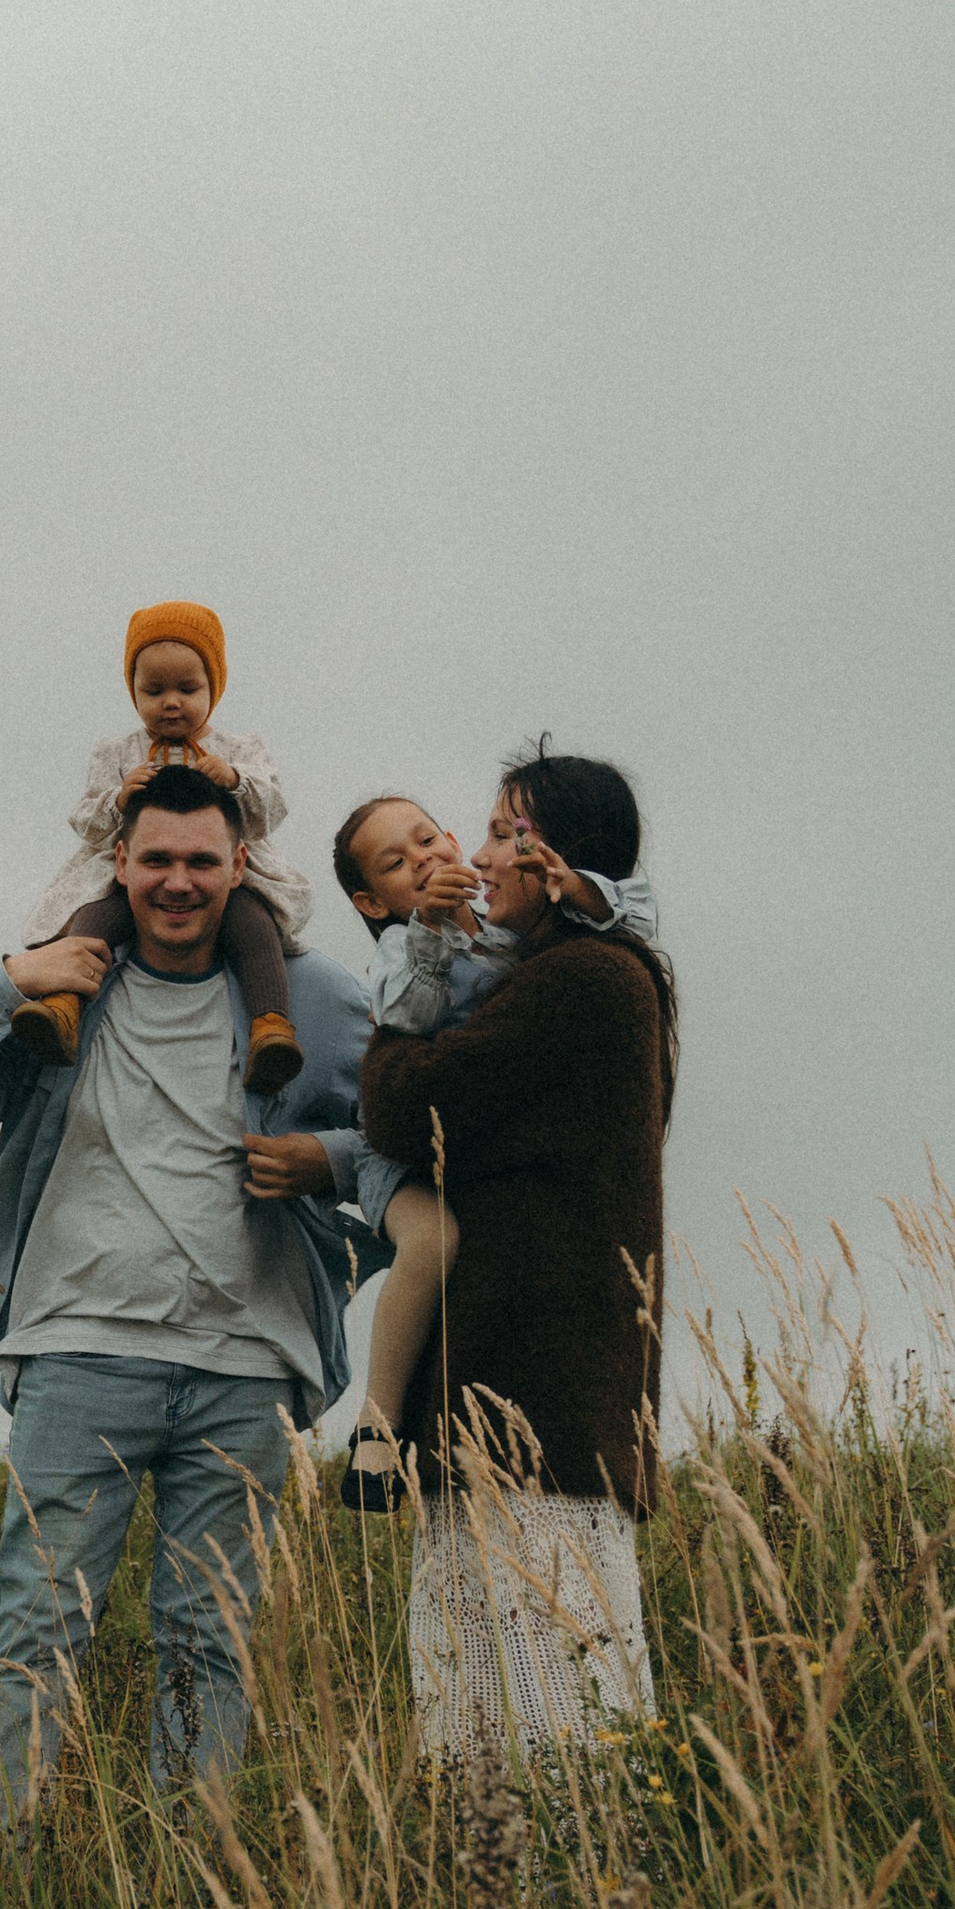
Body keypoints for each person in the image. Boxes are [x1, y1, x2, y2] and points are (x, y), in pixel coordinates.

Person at [0, 764, 378, 1831]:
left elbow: (413, 1146)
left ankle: (189, 1900)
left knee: (210, 1641)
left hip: (246, 1369)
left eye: (201, 860)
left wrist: (324, 1164)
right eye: (154, 859)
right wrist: (6, 977)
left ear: (239, 867)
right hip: (75, 1354)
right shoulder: (67, 987)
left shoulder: (314, 997)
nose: (176, 881)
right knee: (36, 1630)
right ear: (117, 864)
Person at [355, 752, 675, 1762]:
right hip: (528, 1396)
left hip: (535, 1406)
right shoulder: (574, 974)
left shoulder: (582, 979)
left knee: (536, 1709)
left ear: (555, 857)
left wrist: (390, 1027)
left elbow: (402, 1105)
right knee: (517, 1700)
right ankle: (519, 1906)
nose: (477, 851)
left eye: (502, 832)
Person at [328, 791, 659, 1511]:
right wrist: (428, 932)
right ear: (372, 899)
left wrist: (574, 887)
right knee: (433, 1244)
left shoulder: (522, 940)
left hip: (462, 1158)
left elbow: (634, 916)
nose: (423, 859)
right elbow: (406, 1025)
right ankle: (376, 1425)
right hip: (399, 1163)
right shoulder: (401, 949)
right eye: (395, 861)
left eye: (426, 839)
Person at [11, 598, 316, 1095]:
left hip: (225, 873)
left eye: (187, 688)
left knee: (253, 923)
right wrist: (118, 798)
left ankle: (270, 1028)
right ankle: (62, 1009)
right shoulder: (117, 753)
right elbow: (84, 821)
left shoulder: (240, 749)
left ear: (213, 687)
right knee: (96, 916)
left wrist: (237, 780)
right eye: (154, 690)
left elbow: (272, 811)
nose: (171, 702)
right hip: (126, 870)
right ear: (133, 692)